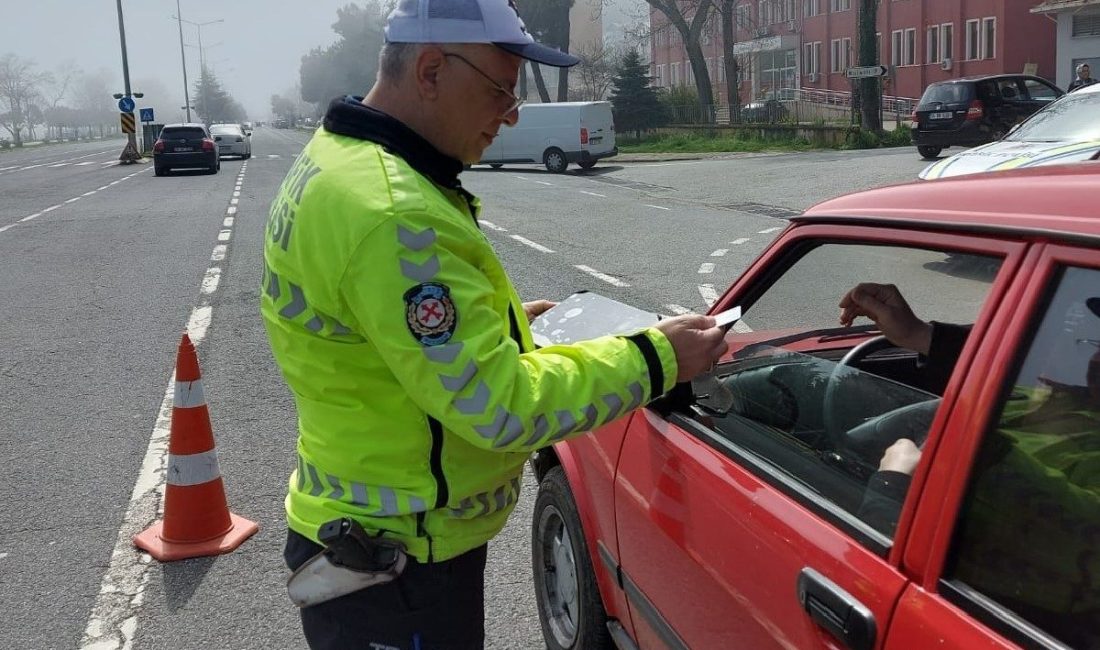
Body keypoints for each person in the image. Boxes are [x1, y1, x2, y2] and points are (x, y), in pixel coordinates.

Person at [259, 0, 729, 647]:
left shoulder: (338, 161)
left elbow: (376, 331)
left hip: (366, 530)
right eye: (500, 89)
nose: (511, 114)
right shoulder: (395, 212)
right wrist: (657, 358)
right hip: (400, 563)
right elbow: (499, 406)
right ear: (430, 71)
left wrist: (495, 330)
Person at [842, 283, 1100, 646]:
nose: (1080, 347)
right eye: (1072, 328)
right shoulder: (1037, 394)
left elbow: (867, 579)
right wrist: (917, 335)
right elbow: (999, 369)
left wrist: (892, 485)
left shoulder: (1083, 453)